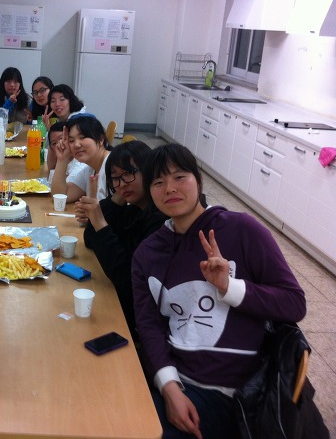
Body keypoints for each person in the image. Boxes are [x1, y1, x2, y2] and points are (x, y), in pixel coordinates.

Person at [132, 143, 306, 439]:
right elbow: (149, 325)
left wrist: (230, 287)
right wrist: (169, 387)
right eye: (158, 182)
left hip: (227, 394)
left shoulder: (242, 229)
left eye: (179, 177)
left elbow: (294, 303)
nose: (169, 188)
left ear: (198, 181)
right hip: (171, 378)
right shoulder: (148, 253)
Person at [76, 141, 168, 342]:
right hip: (119, 301)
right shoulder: (134, 209)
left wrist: (101, 222)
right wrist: (116, 200)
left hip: (141, 321)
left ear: (149, 170)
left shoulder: (161, 221)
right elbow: (90, 240)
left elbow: (126, 278)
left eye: (128, 173)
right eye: (115, 178)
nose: (122, 183)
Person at [50, 114, 111, 202]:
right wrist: (62, 159)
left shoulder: (114, 166)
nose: (76, 145)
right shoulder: (89, 170)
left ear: (101, 139)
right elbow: (60, 196)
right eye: (71, 141)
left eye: (82, 137)